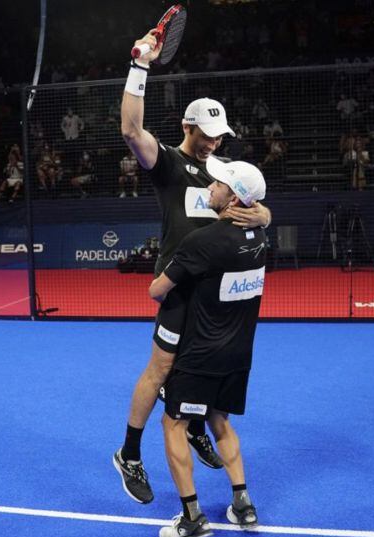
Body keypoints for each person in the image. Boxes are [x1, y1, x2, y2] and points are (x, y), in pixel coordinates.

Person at [113, 28, 273, 506]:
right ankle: (130, 453)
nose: (213, 143)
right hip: (179, 287)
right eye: (206, 136)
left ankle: (197, 427)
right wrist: (140, 66)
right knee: (161, 369)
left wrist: (265, 213)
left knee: (201, 371)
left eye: (219, 137)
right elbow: (130, 130)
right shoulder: (166, 163)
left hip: (214, 294)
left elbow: (256, 205)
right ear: (188, 129)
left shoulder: (223, 170)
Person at [151, 158, 267, 537]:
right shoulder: (260, 236)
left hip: (200, 355)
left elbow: (157, 290)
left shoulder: (204, 241)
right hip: (239, 354)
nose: (210, 188)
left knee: (174, 424)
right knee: (221, 422)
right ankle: (243, 505)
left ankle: (192, 518)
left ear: (233, 197)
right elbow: (258, 218)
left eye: (217, 184)